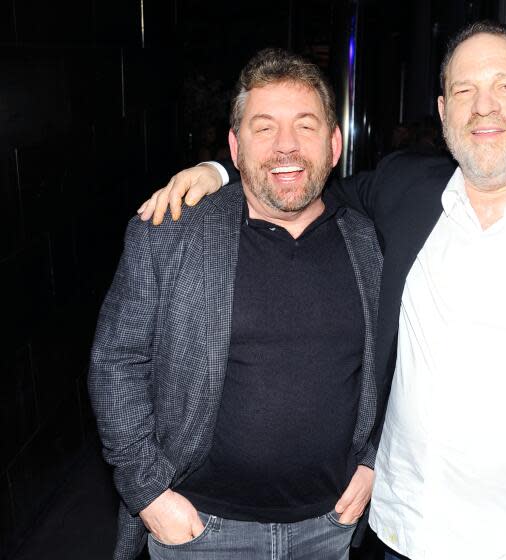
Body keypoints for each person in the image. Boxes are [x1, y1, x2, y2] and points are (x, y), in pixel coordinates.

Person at [138, 21, 506, 560]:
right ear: (444, 112)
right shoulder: (405, 189)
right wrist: (220, 174)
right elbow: (297, 182)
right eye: (464, 90)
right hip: (398, 532)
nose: (484, 106)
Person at [89, 48, 383, 560]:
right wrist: (150, 495)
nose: (285, 146)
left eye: (306, 126)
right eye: (264, 127)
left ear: (335, 144)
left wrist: (374, 459)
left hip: (329, 525)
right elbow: (116, 364)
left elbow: (398, 363)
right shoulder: (170, 234)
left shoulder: (366, 242)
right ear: (235, 146)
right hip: (200, 529)